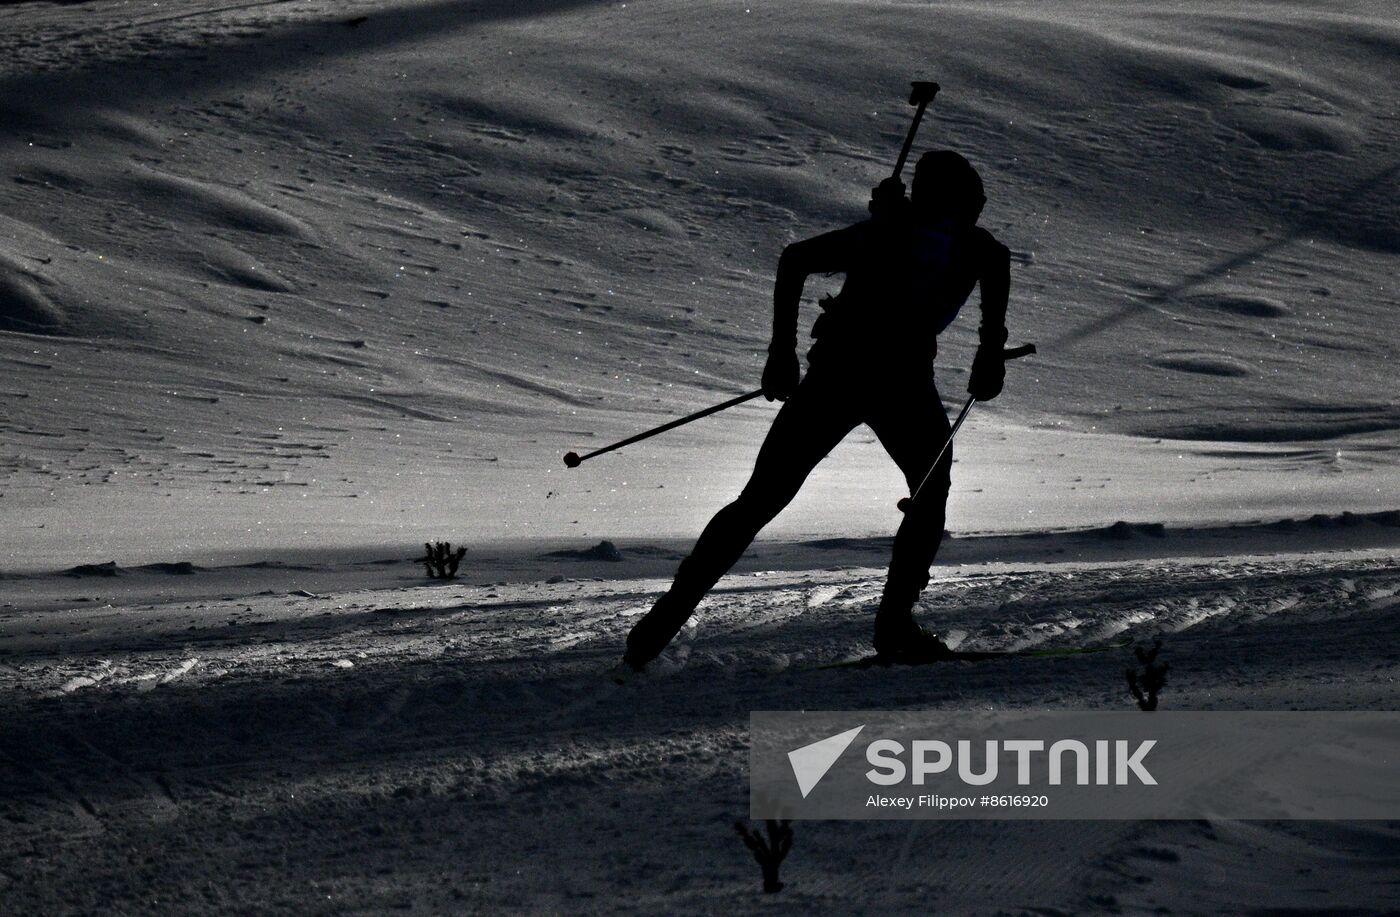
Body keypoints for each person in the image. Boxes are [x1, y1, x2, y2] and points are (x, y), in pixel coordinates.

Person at [623, 149, 1011, 671]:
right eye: (970, 200)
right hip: (883, 379)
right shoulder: (936, 241)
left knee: (764, 499)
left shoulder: (903, 234)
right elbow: (796, 258)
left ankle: (659, 627)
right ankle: (894, 626)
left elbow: (796, 259)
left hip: (849, 374)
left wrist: (783, 351)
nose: (977, 209)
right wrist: (989, 355)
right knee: (919, 489)